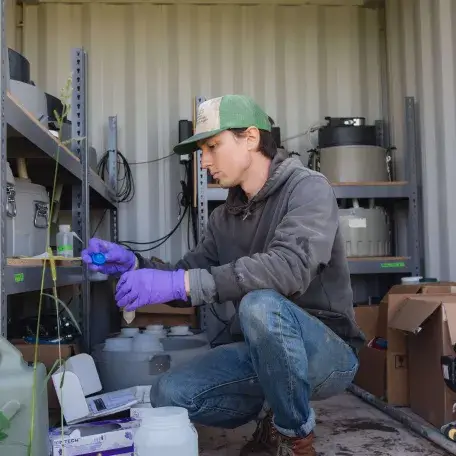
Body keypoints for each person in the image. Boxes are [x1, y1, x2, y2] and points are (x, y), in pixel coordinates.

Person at [82, 94, 364, 456]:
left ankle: (295, 437)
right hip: (258, 348)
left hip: (326, 350)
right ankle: (270, 411)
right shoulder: (223, 218)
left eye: (213, 146)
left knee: (260, 307)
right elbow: (188, 274)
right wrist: (135, 265)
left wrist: (184, 283)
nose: (205, 162)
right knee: (168, 393)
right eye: (202, 151)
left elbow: (289, 266)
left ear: (250, 137)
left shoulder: (307, 188)